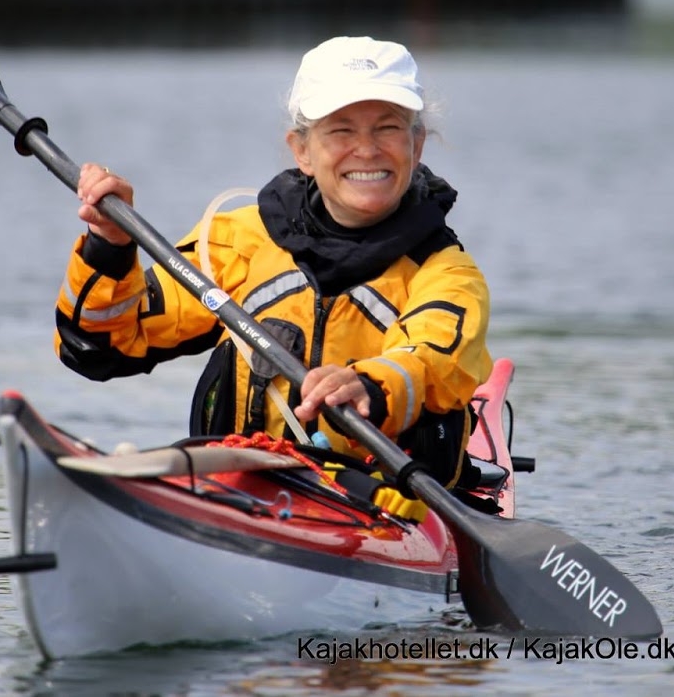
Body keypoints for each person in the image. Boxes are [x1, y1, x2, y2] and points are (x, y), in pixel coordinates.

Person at [51, 35, 493, 487]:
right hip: (244, 486)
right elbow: (102, 347)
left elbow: (431, 359)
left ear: (416, 146)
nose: (366, 149)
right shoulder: (235, 242)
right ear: (302, 150)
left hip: (385, 501)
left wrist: (371, 384)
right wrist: (109, 245)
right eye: (341, 130)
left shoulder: (447, 273)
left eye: (388, 128)